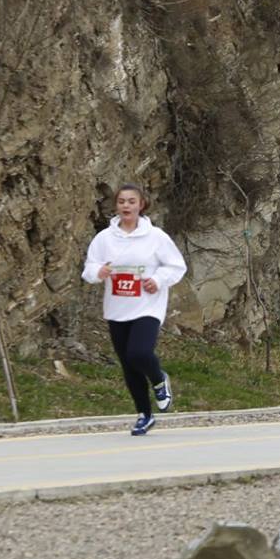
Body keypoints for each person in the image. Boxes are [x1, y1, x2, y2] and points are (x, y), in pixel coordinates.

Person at [82, 183, 189, 435]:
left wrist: (158, 280)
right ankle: (144, 415)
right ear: (116, 206)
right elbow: (89, 268)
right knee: (128, 364)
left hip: (147, 306)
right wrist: (100, 272)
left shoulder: (156, 237)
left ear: (141, 205)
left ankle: (159, 379)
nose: (126, 206)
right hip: (117, 308)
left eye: (131, 201)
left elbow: (176, 266)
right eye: (121, 202)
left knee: (139, 353)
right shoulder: (104, 239)